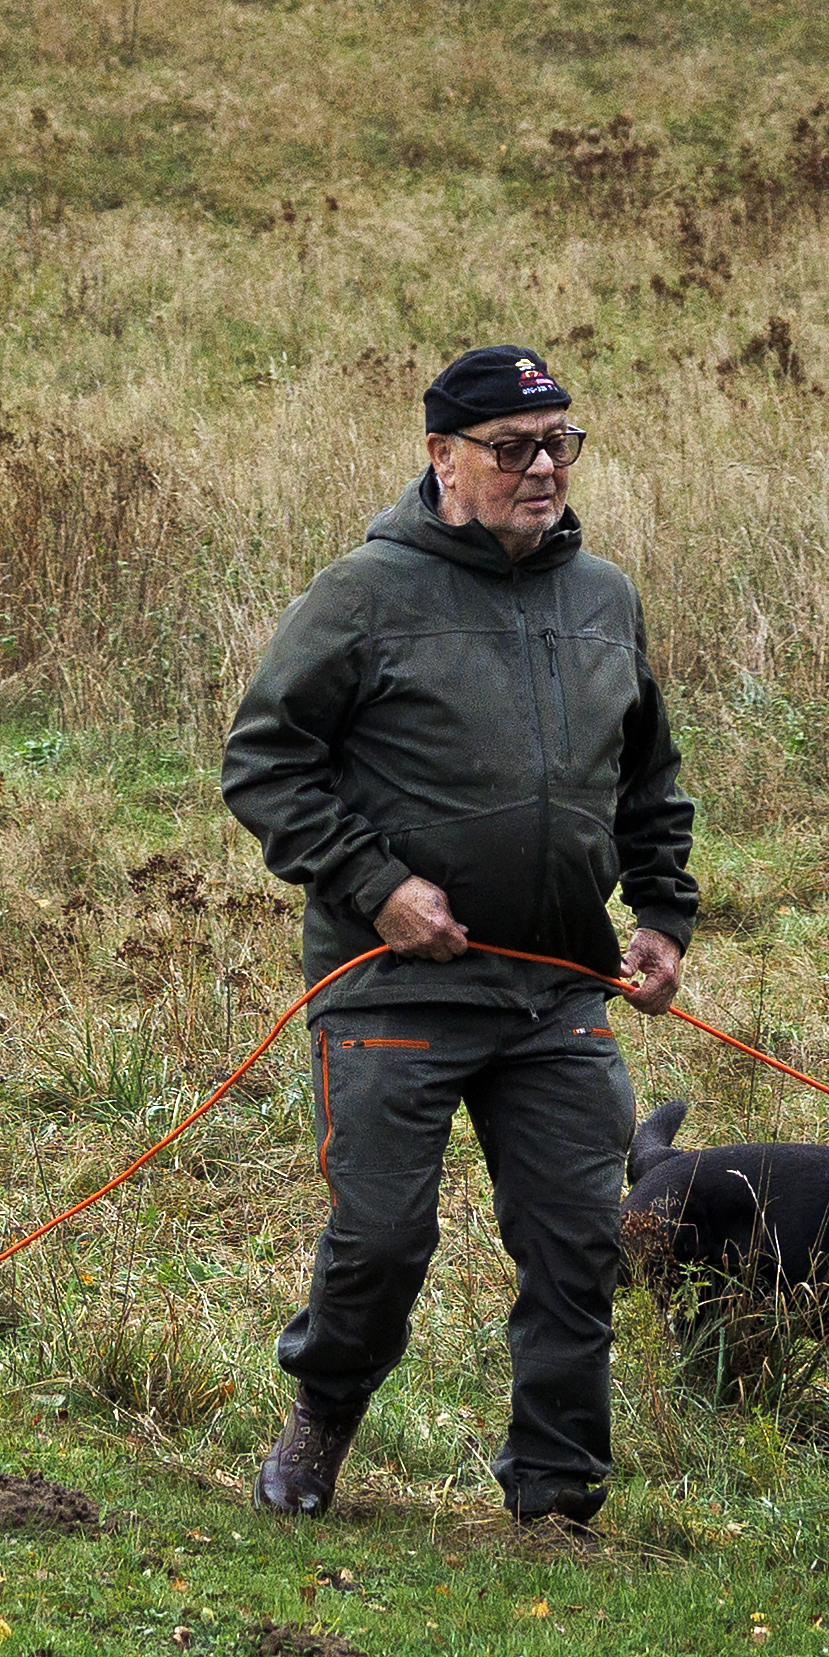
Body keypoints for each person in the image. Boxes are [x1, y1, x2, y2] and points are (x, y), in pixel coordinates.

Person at [218, 343, 699, 1536]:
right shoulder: (360, 595)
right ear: (439, 455)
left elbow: (649, 778)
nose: (543, 469)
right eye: (511, 448)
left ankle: (553, 1496)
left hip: (556, 993)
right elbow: (264, 762)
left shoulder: (605, 598)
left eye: (560, 444)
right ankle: (322, 1414)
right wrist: (376, 887)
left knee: (581, 1243)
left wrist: (660, 916)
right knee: (381, 1238)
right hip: (390, 985)